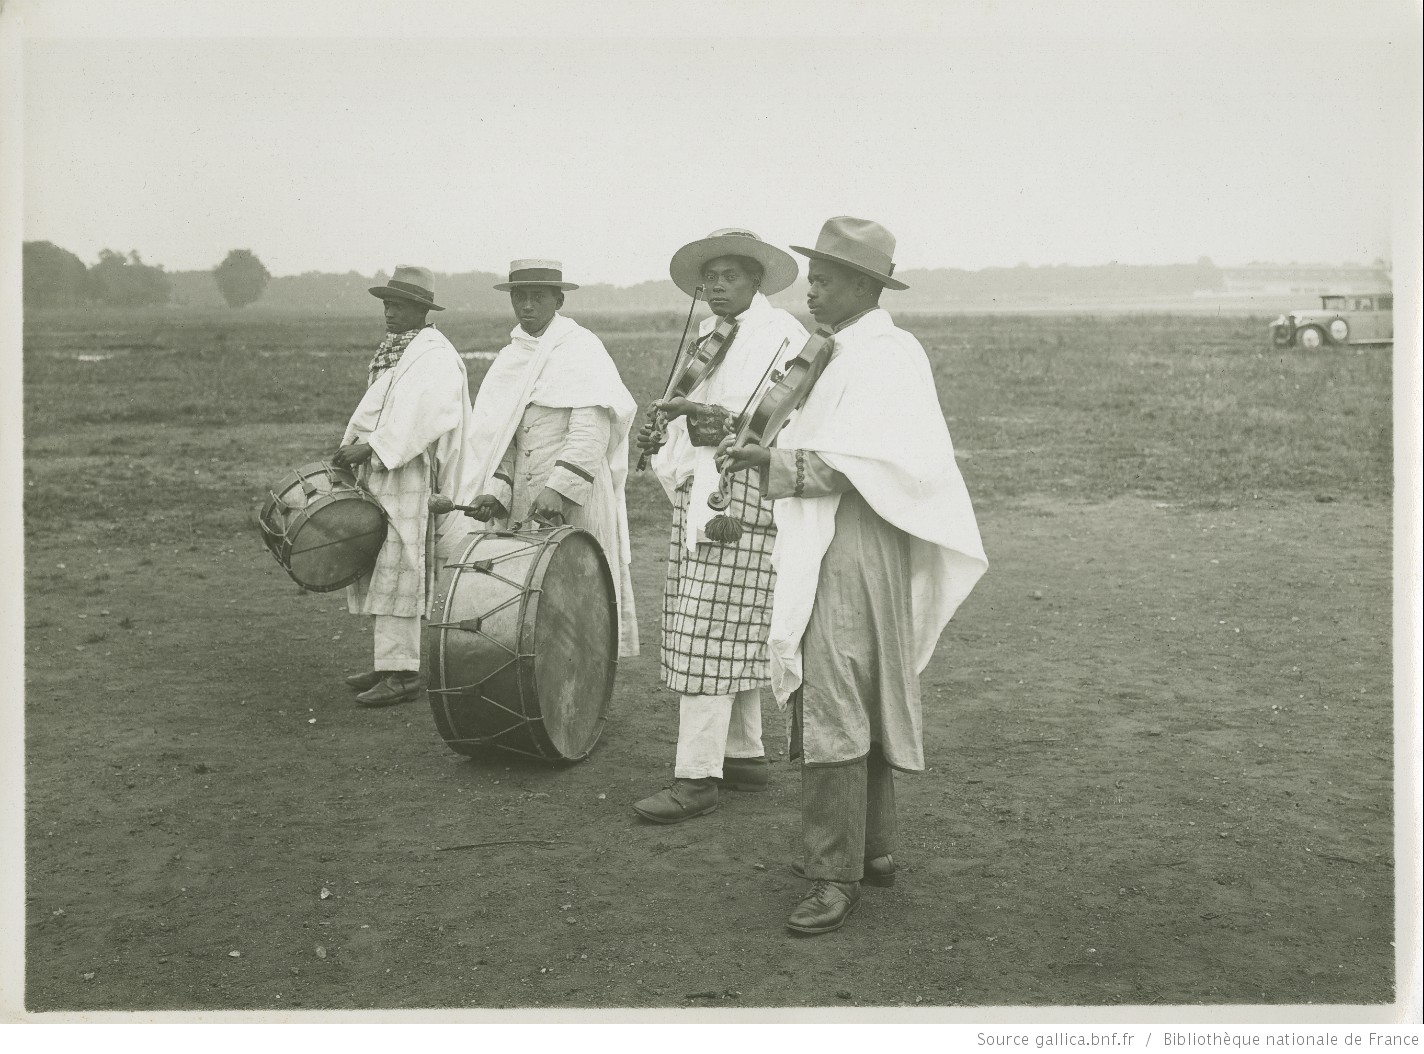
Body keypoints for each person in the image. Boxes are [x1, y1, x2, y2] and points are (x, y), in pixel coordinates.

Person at [717, 217, 988, 935]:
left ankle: (832, 875)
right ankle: (873, 850)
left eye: (828, 280)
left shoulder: (888, 355)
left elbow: (870, 459)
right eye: (814, 277)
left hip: (858, 536)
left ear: (866, 287)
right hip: (829, 532)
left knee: (836, 693)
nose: (814, 291)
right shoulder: (835, 352)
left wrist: (775, 464)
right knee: (851, 687)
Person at [632, 229, 808, 823]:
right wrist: (669, 430)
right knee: (725, 622)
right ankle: (744, 755)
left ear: (757, 281)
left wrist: (700, 415)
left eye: (731, 275)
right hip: (706, 490)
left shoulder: (782, 337)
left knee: (707, 628)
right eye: (710, 277)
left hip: (743, 496)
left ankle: (696, 777)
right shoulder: (712, 337)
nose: (716, 286)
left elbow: (776, 419)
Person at [462, 260, 639, 657]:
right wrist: (496, 491)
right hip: (522, 502)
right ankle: (535, 695)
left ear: (558, 300)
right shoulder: (512, 356)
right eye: (519, 297)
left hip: (574, 500)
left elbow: (591, 433)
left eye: (537, 297)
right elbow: (503, 435)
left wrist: (558, 490)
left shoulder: (581, 350)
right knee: (524, 601)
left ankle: (582, 702)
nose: (527, 306)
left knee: (576, 597)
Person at [334, 265, 479, 707]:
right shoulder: (399, 351)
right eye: (386, 305)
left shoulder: (433, 354)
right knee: (384, 563)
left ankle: (403, 675)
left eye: (398, 305)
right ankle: (388, 662)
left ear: (420, 309)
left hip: (411, 472)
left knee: (401, 566)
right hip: (388, 469)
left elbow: (430, 417)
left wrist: (373, 447)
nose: (389, 313)